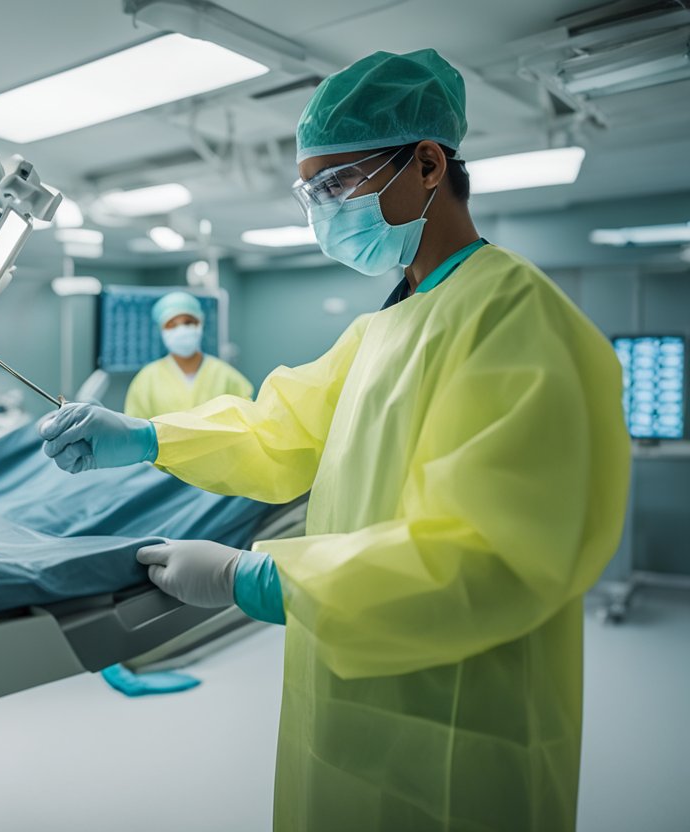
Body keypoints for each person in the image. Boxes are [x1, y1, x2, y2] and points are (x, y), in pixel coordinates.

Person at [40, 49, 629, 832]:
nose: (322, 209)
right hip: (347, 694)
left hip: (464, 714)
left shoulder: (517, 319)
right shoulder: (387, 325)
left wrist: (262, 582)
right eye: (309, 191)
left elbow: (493, 554)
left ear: (427, 164)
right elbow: (280, 428)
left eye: (338, 183)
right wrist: (147, 436)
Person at [123, 291, 253, 419]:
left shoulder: (227, 376)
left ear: (200, 324)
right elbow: (136, 431)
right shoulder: (146, 380)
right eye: (172, 325)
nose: (181, 330)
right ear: (162, 331)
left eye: (188, 322)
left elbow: (250, 421)